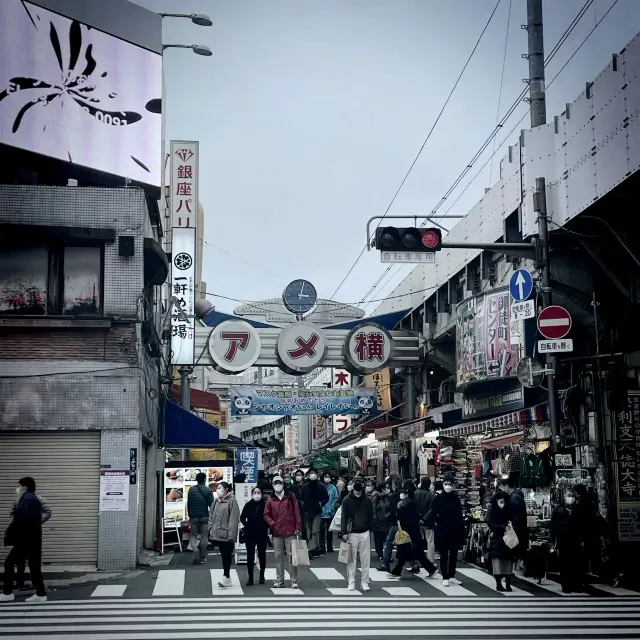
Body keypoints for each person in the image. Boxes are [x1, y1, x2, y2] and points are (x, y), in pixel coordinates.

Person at [1, 477, 50, 603]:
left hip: (24, 539)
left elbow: (20, 519)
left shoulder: (27, 499)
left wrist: (12, 532)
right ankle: (40, 594)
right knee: (34, 566)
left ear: (25, 487)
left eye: (20, 486)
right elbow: (15, 515)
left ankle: (7, 592)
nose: (17, 488)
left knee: (9, 563)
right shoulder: (26, 499)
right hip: (34, 537)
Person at [390, 480, 437, 578]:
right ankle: (431, 568)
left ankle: (397, 571)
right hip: (414, 529)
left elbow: (401, 517)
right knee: (416, 552)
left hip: (408, 531)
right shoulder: (414, 502)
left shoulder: (405, 504)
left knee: (406, 551)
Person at [426, 473, 464, 587]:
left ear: (453, 485)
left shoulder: (456, 498)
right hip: (442, 529)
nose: (448, 486)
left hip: (454, 529)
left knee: (453, 553)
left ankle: (452, 575)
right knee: (444, 554)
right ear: (443, 485)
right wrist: (434, 524)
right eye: (446, 484)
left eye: (449, 484)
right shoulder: (438, 499)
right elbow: (432, 513)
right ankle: (445, 576)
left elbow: (459, 515)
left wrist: (461, 530)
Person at [264, 475, 302, 589]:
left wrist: (298, 527)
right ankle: (280, 580)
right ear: (272, 485)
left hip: (290, 530)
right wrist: (272, 524)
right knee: (278, 556)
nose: (278, 485)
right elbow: (266, 514)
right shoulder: (270, 499)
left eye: (279, 482)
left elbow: (297, 512)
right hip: (277, 531)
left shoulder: (290, 497)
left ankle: (294, 580)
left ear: (283, 484)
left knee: (292, 556)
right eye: (275, 483)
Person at [551, 487, 588, 593]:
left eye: (572, 496)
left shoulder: (578, 510)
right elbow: (553, 527)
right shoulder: (558, 509)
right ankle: (565, 585)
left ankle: (576, 584)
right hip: (563, 540)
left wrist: (583, 539)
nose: (570, 498)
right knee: (564, 563)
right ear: (564, 497)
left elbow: (583, 527)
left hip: (575, 540)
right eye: (568, 496)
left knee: (575, 563)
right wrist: (553, 541)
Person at [341, 478, 374, 591]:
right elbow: (344, 517)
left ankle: (365, 582)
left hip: (364, 531)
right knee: (351, 559)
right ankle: (351, 581)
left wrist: (369, 527)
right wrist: (344, 532)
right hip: (352, 532)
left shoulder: (367, 500)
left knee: (365, 559)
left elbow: (371, 515)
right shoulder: (346, 500)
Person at [209, 482, 240, 588]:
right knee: (224, 556)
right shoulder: (217, 501)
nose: (217, 490)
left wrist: (231, 535)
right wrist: (210, 529)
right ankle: (226, 577)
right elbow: (211, 515)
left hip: (227, 534)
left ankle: (226, 577)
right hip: (218, 534)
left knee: (226, 556)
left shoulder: (232, 501)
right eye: (217, 488)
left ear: (226, 489)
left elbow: (233, 520)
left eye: (219, 488)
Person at [486, 490, 515, 591]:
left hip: (507, 537)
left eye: (504, 502)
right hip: (497, 538)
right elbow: (490, 523)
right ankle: (499, 583)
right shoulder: (492, 510)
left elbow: (513, 519)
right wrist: (503, 527)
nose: (503, 504)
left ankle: (508, 583)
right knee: (498, 561)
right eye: (500, 502)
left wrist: (509, 526)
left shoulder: (509, 509)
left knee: (508, 561)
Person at [240, 486, 269, 586]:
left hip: (262, 533)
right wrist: (247, 525)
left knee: (262, 555)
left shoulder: (265, 504)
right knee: (250, 556)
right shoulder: (248, 505)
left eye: (258, 492)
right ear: (252, 494)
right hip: (250, 533)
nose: (257, 494)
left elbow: (269, 517)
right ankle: (250, 577)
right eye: (255, 492)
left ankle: (262, 575)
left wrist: (266, 526)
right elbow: (242, 517)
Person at [497, 476, 529, 560]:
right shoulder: (517, 494)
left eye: (502, 487)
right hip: (521, 528)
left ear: (506, 486)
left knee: (518, 551)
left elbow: (517, 515)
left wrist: (513, 527)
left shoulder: (514, 498)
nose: (502, 490)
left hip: (518, 529)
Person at [300, 467, 328, 556]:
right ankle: (311, 547)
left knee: (315, 531)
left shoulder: (321, 486)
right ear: (308, 475)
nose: (312, 475)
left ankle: (312, 549)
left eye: (314, 473)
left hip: (317, 511)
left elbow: (326, 497)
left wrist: (321, 504)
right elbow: (301, 498)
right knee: (308, 531)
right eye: (311, 473)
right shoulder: (305, 487)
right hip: (307, 511)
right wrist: (303, 505)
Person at [187, 472, 214, 565]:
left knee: (193, 535)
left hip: (193, 516)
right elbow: (212, 506)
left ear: (196, 480)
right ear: (205, 479)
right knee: (204, 536)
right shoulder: (208, 490)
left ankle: (195, 550)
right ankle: (202, 557)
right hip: (204, 517)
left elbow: (188, 504)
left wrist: (190, 515)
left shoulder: (191, 490)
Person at [378, 473, 401, 572]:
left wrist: (388, 517)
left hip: (396, 523)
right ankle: (414, 564)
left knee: (389, 543)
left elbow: (392, 510)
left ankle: (385, 563)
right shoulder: (406, 493)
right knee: (407, 543)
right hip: (406, 523)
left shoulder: (393, 496)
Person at [415, 476, 436, 565]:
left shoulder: (415, 494)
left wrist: (419, 517)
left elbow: (413, 507)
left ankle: (417, 560)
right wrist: (425, 518)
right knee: (430, 542)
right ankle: (430, 561)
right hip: (428, 522)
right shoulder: (432, 496)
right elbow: (432, 509)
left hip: (416, 521)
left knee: (417, 541)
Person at [319, 473, 338, 553]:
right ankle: (322, 546)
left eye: (328, 477)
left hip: (330, 512)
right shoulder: (320, 487)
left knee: (330, 531)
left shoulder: (333, 488)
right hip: (321, 512)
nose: (327, 478)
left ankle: (330, 546)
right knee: (321, 530)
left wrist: (332, 507)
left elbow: (336, 498)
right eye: (326, 476)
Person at [371, 483, 389, 560]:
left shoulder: (386, 497)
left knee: (384, 538)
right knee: (378, 538)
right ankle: (380, 553)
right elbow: (373, 509)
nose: (388, 489)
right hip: (378, 522)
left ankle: (383, 554)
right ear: (382, 489)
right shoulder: (376, 497)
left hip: (385, 521)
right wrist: (375, 520)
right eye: (387, 487)